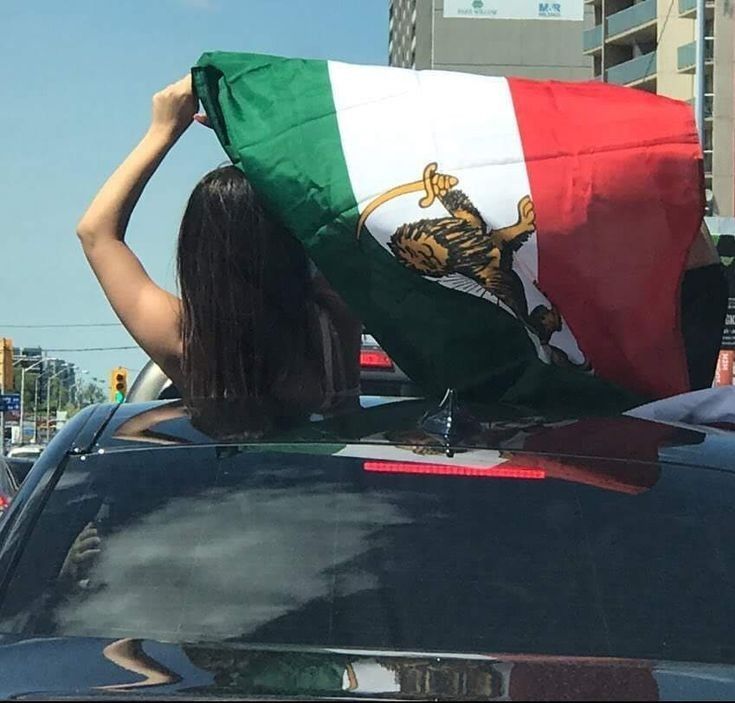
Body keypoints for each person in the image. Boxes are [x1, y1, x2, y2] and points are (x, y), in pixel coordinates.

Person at [77, 75, 361, 434]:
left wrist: (163, 129)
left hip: (215, 490)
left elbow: (97, 233)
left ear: (195, 254)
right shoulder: (336, 318)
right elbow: (344, 208)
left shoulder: (185, 339)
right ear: (290, 242)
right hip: (332, 490)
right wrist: (262, 144)